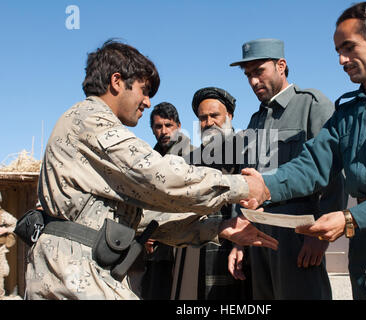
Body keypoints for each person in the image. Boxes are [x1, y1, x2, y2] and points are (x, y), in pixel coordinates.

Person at [26, 40, 278, 300]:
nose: (147, 102)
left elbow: (143, 217)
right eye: (144, 91)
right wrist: (245, 186)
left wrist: (219, 227)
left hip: (84, 270)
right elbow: (161, 179)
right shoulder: (91, 120)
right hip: (74, 276)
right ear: (116, 81)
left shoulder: (242, 146)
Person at [242, 2, 366, 300]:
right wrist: (265, 186)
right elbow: (313, 164)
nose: (341, 59)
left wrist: (349, 219)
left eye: (349, 48)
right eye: (338, 50)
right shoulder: (347, 112)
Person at [228, 39, 347, 299]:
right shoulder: (255, 120)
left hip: (299, 237)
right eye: (248, 75)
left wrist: (320, 237)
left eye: (259, 71)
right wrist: (239, 239)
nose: (253, 81)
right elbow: (247, 180)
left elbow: (336, 173)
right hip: (258, 237)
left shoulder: (312, 105)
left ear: (281, 66)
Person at [171, 87, 252, 300]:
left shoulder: (247, 152)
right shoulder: (191, 160)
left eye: (214, 115)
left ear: (230, 116)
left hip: (238, 239)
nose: (209, 123)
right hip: (196, 246)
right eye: (202, 118)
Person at [139, 102, 193, 300]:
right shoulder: (149, 160)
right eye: (158, 126)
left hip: (184, 244)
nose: (163, 131)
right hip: (153, 248)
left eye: (168, 125)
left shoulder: (194, 156)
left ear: (178, 126)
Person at [0, 192, 17, 299]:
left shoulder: (2, 215)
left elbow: (17, 225)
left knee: (2, 271)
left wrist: (5, 230)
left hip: (0, 250)